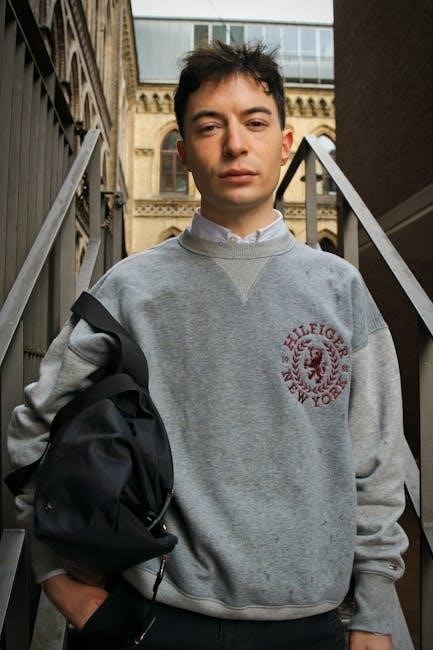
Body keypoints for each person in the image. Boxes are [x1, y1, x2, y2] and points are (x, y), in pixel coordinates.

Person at [7, 42, 408, 650]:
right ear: (185, 152)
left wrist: (375, 609)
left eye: (255, 122)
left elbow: (375, 462)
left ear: (286, 142)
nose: (235, 145)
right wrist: (56, 575)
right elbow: (34, 426)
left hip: (311, 621)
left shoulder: (341, 289)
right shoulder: (131, 289)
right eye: (209, 126)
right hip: (154, 617)